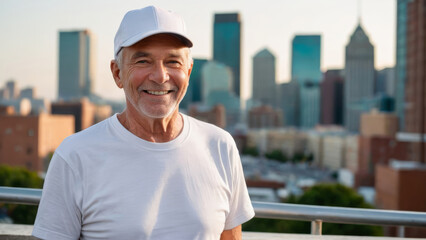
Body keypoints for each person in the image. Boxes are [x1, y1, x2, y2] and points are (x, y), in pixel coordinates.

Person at [32, 5, 255, 240]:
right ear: (117, 73)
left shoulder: (220, 146)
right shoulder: (75, 155)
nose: (160, 76)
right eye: (142, 61)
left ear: (188, 72)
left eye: (173, 62)